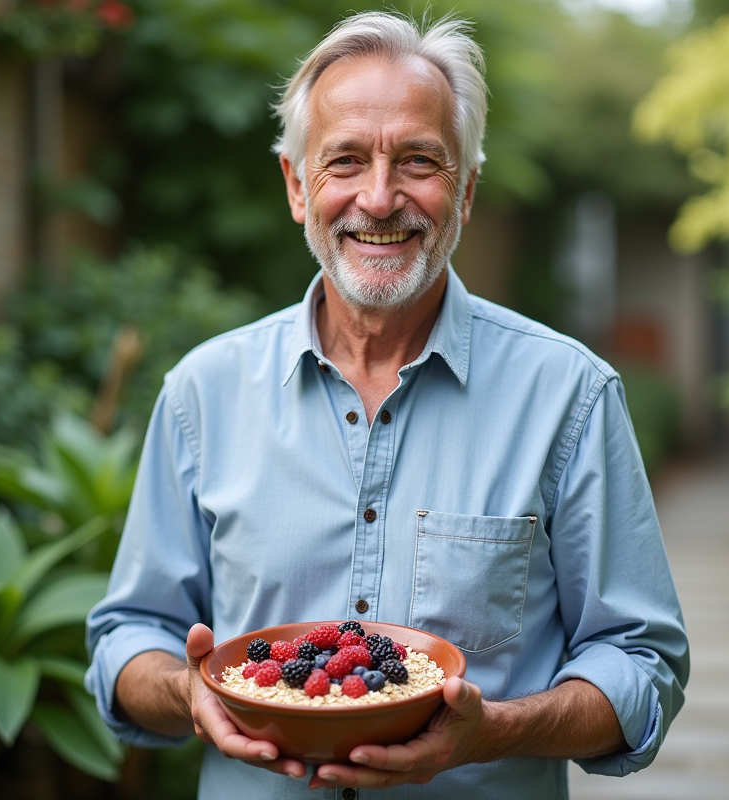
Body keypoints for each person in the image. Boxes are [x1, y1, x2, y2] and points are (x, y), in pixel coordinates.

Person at [85, 11, 688, 798]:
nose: (379, 197)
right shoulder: (203, 392)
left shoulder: (568, 396)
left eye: (418, 160)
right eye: (344, 160)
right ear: (299, 186)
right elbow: (128, 637)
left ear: (465, 190)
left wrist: (493, 731)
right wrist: (187, 692)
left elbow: (641, 661)